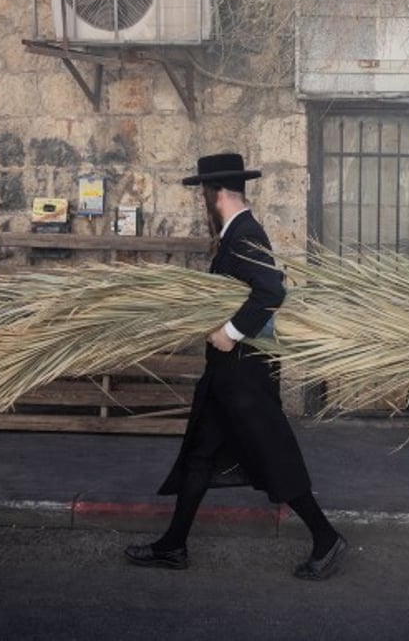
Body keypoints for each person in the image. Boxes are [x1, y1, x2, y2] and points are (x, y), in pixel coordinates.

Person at [124, 153, 348, 580]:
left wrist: (229, 331)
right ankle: (173, 546)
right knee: (200, 457)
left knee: (275, 457)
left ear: (216, 193)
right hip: (227, 377)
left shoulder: (244, 235)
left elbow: (270, 290)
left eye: (204, 194)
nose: (203, 202)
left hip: (245, 375)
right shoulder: (234, 234)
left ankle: (326, 536)